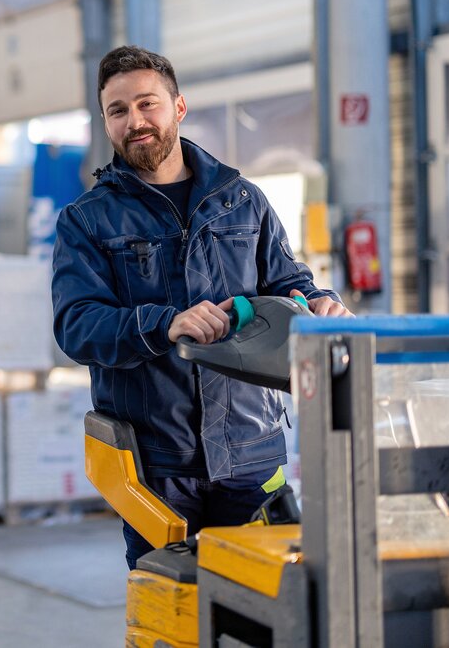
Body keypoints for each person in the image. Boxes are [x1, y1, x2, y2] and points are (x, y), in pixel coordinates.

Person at [51, 45, 351, 569]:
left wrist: (319, 302)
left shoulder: (243, 200)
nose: (135, 121)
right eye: (118, 111)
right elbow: (77, 327)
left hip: (252, 452)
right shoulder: (87, 221)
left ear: (179, 107)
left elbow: (291, 283)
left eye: (148, 104)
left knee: (265, 607)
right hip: (156, 464)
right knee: (172, 610)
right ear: (106, 122)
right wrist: (165, 324)